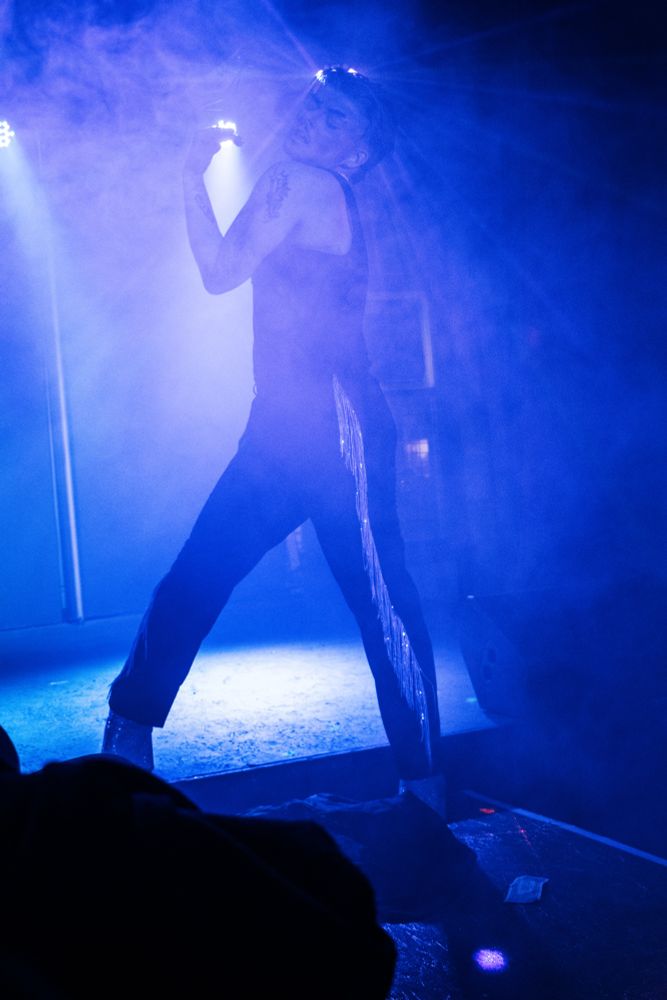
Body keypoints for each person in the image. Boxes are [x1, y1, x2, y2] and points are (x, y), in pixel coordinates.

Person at [102, 66, 444, 811]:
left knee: (380, 600)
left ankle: (426, 788)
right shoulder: (307, 179)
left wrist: (189, 176)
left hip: (336, 425)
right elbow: (228, 274)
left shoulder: (306, 179)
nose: (313, 116)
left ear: (356, 150)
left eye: (335, 116)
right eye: (315, 105)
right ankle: (125, 737)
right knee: (201, 569)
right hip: (283, 424)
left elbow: (221, 272)